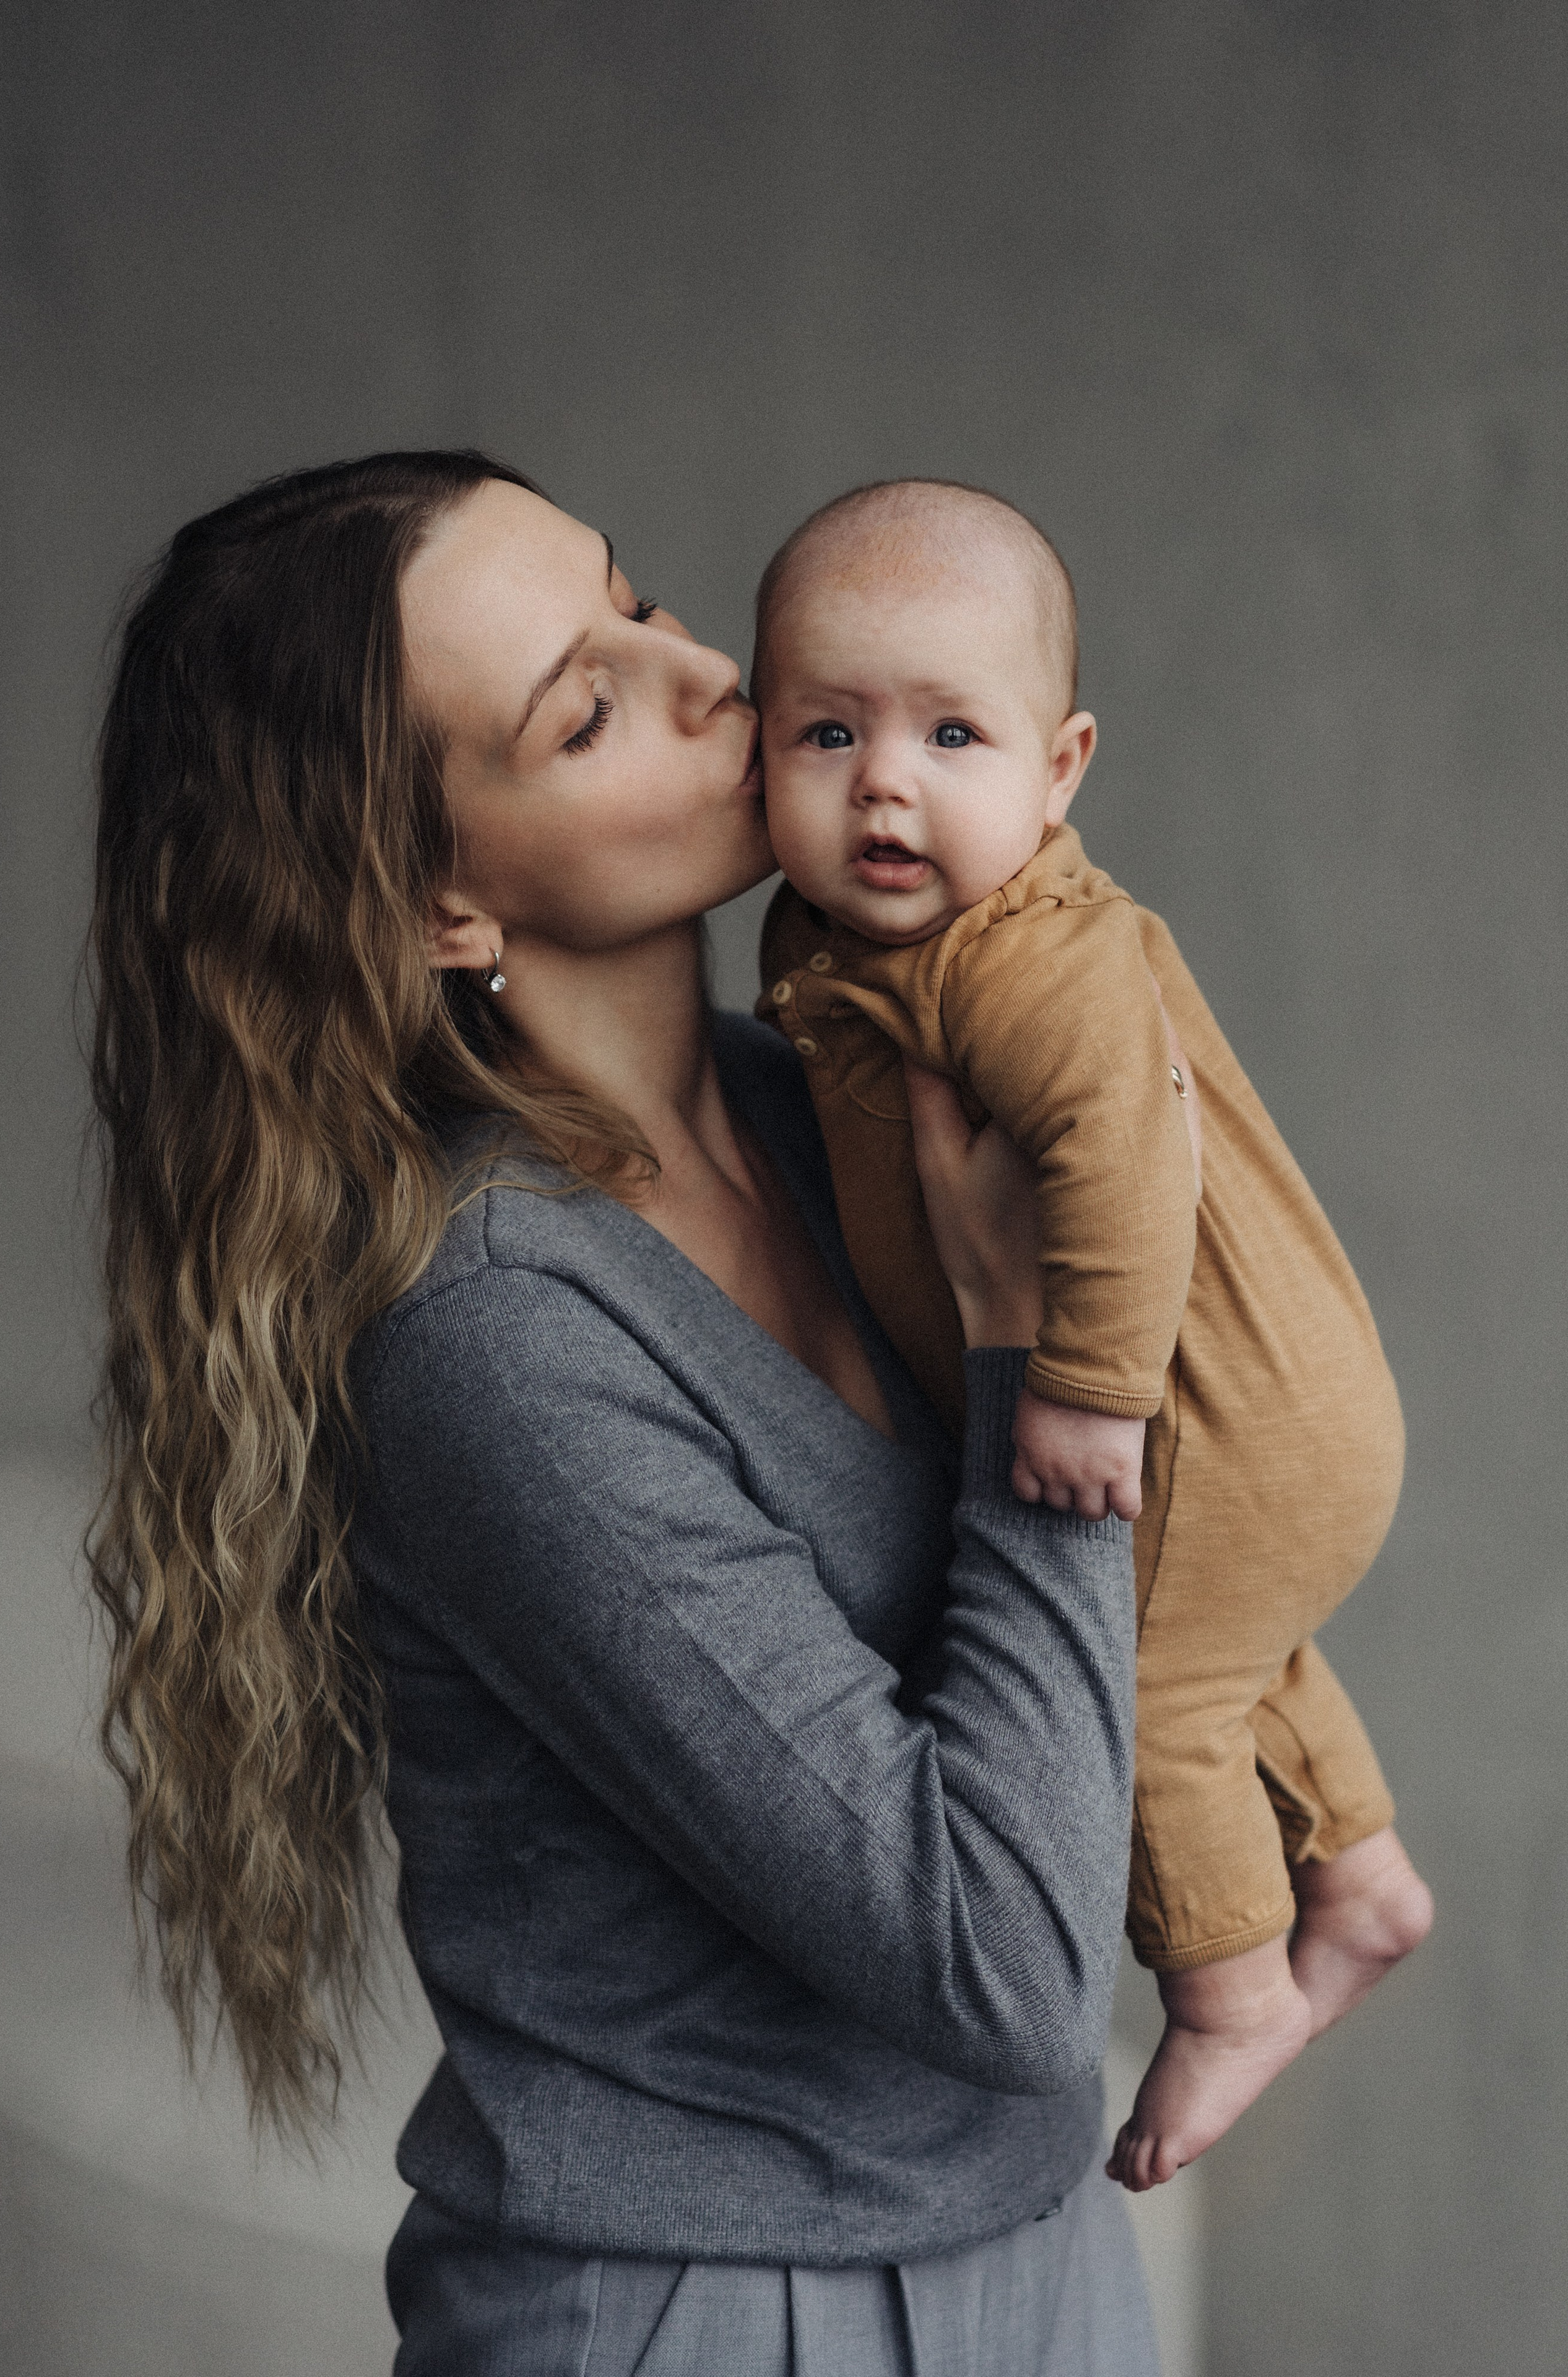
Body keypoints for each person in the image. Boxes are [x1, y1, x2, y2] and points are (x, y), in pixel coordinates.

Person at [87, 451, 1161, 2373]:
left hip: (1038, 2253)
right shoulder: (493, 1329)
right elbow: (998, 1961)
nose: (702, 679)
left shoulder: (816, 1106)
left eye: (638, 601)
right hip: (709, 2313)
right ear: (437, 906)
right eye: (584, 712)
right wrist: (1031, 1358)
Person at [752, 477, 1434, 2192]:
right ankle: (1359, 1874)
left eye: (953, 735)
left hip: (1210, 1408)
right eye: (827, 732)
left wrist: (1082, 1394)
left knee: (1136, 1684)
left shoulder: (1024, 959)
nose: (886, 783)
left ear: (1059, 773)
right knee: (1230, 1646)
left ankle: (1229, 1989)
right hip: (1271, 1434)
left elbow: (1125, 1158)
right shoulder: (850, 937)